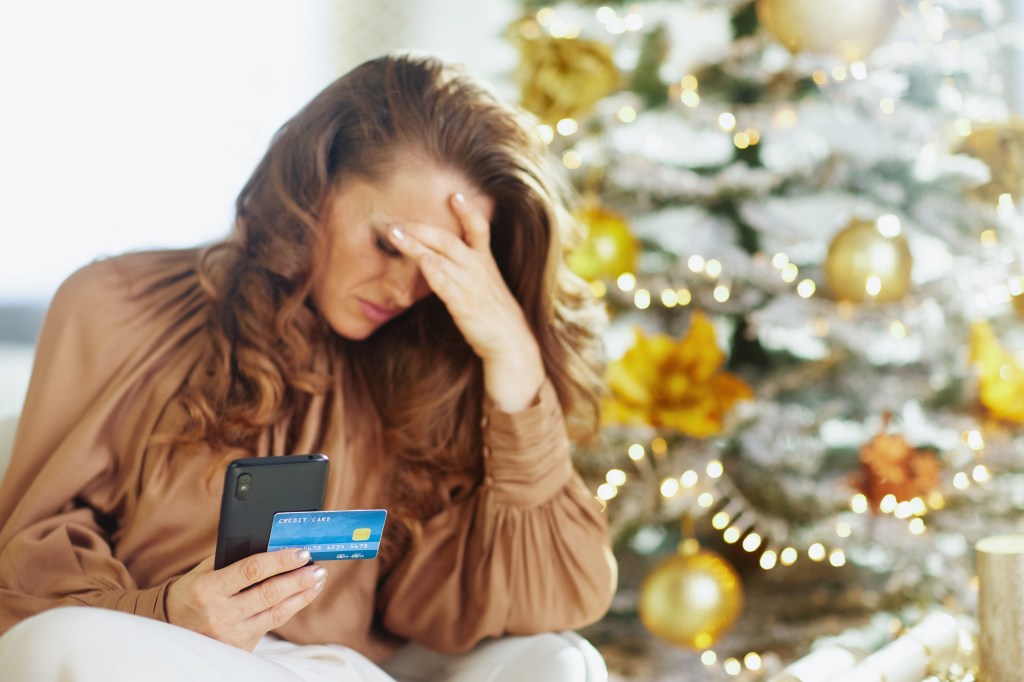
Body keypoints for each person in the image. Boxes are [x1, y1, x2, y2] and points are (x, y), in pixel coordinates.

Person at [0, 52, 617, 681]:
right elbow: (31, 560)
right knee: (58, 643)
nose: (407, 290)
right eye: (388, 244)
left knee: (562, 660)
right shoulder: (118, 305)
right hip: (167, 658)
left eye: (442, 268)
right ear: (314, 186)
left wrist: (512, 358)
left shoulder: (432, 362)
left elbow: (558, 597)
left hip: (351, 670)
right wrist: (164, 614)